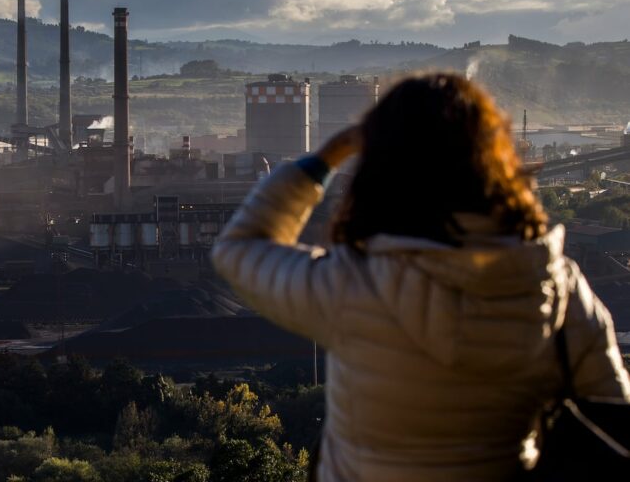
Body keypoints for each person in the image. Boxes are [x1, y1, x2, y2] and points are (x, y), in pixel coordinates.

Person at [211, 73, 630, 482]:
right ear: (496, 161)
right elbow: (611, 408)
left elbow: (238, 250)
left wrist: (324, 159)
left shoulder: (351, 283)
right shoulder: (555, 286)